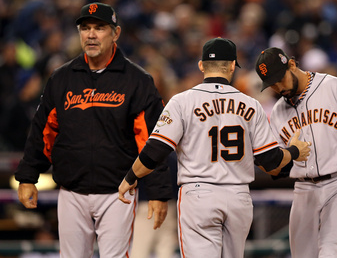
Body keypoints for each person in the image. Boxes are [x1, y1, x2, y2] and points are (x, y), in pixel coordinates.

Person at [118, 37, 311, 258]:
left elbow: (156, 150)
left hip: (199, 194)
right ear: (231, 66)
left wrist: (130, 177)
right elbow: (271, 161)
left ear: (201, 65)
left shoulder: (182, 101)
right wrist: (294, 151)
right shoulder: (252, 105)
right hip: (239, 196)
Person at [14, 2, 172, 258]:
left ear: (115, 33)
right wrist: (28, 176)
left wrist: (158, 191)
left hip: (118, 191)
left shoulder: (137, 80)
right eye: (85, 28)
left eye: (99, 28)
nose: (91, 34)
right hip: (71, 191)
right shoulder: (62, 78)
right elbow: (44, 131)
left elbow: (152, 140)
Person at [255, 47, 337, 258]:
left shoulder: (335, 87)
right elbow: (279, 169)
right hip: (303, 189)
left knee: (332, 253)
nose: (278, 87)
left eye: (280, 78)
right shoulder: (279, 111)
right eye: (271, 83)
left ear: (292, 64)